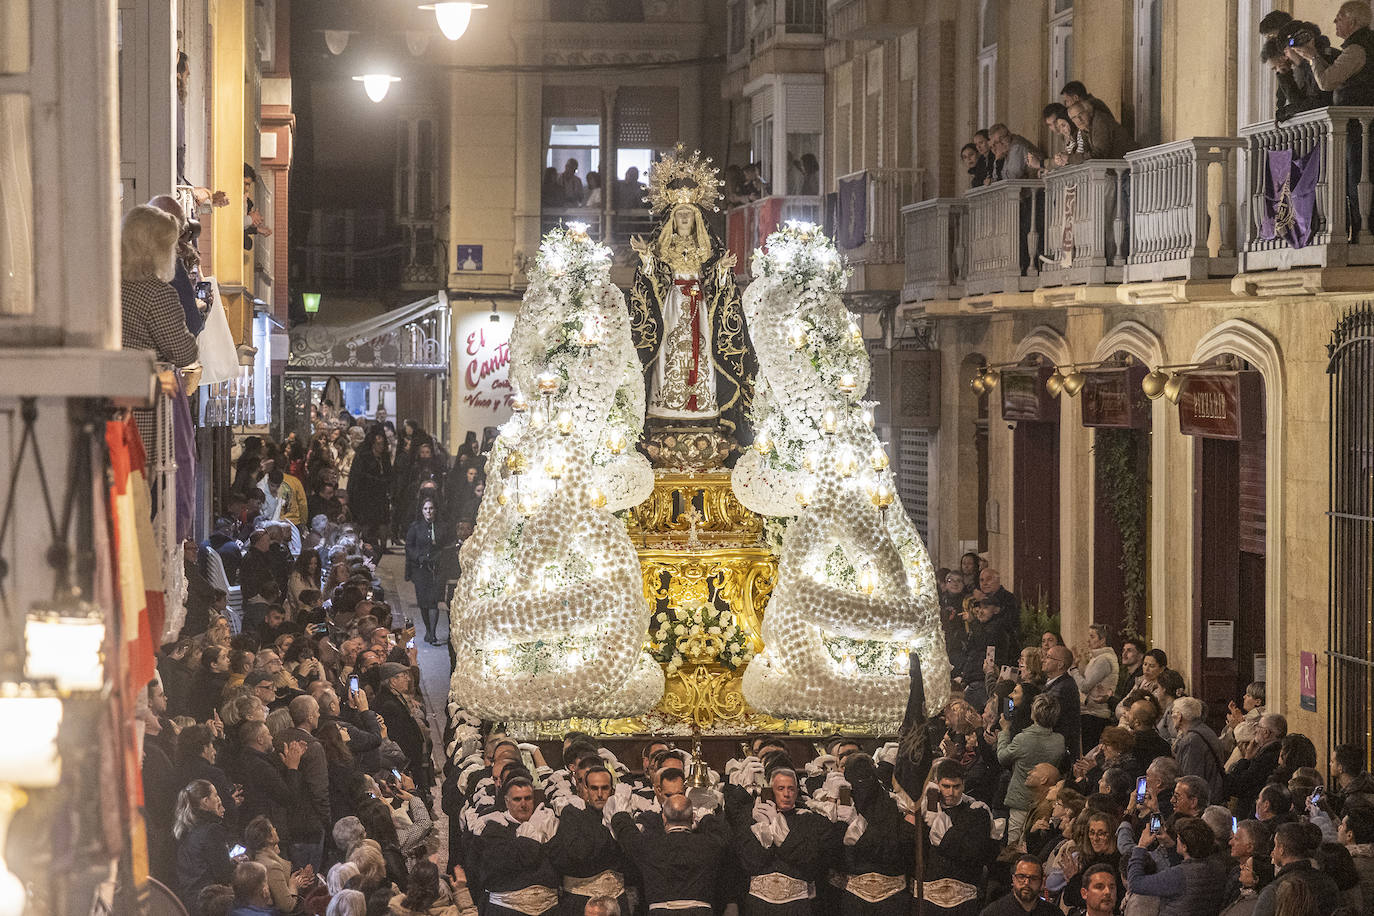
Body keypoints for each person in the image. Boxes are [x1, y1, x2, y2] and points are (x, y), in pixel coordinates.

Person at [609, 790, 728, 916]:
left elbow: (626, 833)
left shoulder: (649, 845)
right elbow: (721, 832)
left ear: (664, 817)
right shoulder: (709, 844)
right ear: (693, 818)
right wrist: (706, 817)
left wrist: (621, 813)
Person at [924, 758, 998, 916]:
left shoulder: (977, 812)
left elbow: (974, 854)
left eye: (956, 787)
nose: (951, 792)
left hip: (963, 899)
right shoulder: (926, 809)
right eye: (946, 786)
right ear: (937, 784)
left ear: (963, 784)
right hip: (928, 899)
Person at [1124, 815, 1228, 916]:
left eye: (1178, 837)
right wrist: (1171, 846)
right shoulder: (1219, 867)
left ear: (1184, 846)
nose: (1176, 839)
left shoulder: (1179, 875)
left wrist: (1141, 846)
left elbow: (1135, 883)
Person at [998, 694, 1066, 846]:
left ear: (1034, 713)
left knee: (1014, 845)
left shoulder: (1023, 739)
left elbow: (1002, 757)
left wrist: (1004, 731)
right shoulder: (1059, 741)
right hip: (1044, 803)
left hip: (1020, 801)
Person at [1254, 823, 1340, 916]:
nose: (1273, 851)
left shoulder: (1275, 891)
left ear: (1281, 849)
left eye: (1275, 845)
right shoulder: (1328, 882)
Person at [175, 779, 236, 906]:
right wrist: (236, 864)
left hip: (190, 901)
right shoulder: (212, 830)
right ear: (206, 801)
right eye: (215, 795)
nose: (219, 799)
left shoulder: (184, 831)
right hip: (211, 902)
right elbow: (223, 873)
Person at [243, 815, 312, 913]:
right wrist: (293, 885)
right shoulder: (271, 866)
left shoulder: (260, 858)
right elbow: (287, 906)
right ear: (269, 839)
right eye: (272, 828)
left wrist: (298, 881)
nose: (275, 829)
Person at [405, 498, 446, 645]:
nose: (429, 511)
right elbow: (409, 547)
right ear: (422, 511)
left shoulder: (441, 526)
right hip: (420, 569)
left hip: (436, 569)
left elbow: (445, 545)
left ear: (435, 510)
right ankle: (428, 629)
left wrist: (438, 556)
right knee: (423, 602)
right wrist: (419, 557)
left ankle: (433, 633)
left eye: (431, 508)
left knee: (433, 601)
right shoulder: (415, 527)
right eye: (426, 509)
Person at [1075, 624, 1119, 753]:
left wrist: (1073, 669)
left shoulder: (1103, 660)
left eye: (1092, 636)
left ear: (1102, 640)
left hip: (1095, 715)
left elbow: (1085, 686)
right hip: (1092, 713)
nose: (1088, 640)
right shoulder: (1098, 658)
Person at [980, 855, 1059, 916]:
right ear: (1013, 879)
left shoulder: (1054, 913)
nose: (1027, 882)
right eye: (1021, 877)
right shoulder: (993, 912)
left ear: (1042, 881)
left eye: (1033, 878)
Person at [1040, 645, 1082, 760]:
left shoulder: (1064, 688)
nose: (1043, 660)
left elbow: (1046, 715)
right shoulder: (1055, 682)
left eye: (1048, 657)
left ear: (1060, 664)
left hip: (1058, 750)